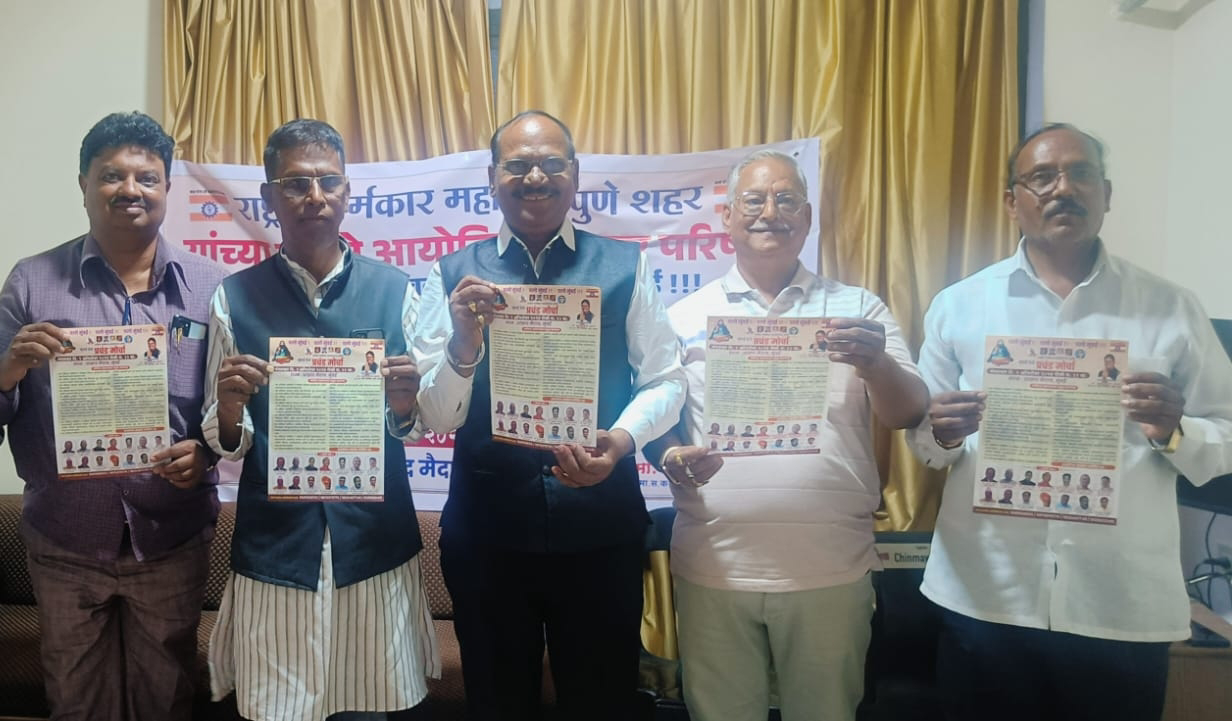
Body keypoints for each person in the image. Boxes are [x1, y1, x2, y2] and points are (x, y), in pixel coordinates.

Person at [907, 124, 1232, 721]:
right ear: (1013, 202)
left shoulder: (1170, 307)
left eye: (1081, 174)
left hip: (1118, 605)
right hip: (986, 597)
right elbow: (926, 443)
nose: (1063, 188)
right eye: (1042, 177)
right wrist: (944, 431)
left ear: (1106, 194)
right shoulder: (960, 305)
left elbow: (1226, 433)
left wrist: (1174, 429)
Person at [412, 110, 684, 721]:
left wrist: (621, 441)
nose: (535, 177)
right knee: (497, 702)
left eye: (551, 164)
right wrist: (463, 345)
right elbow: (437, 416)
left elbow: (666, 379)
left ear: (575, 175)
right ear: (492, 177)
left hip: (601, 532)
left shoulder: (624, 264)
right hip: (487, 538)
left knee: (601, 702)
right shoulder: (452, 273)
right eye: (517, 165)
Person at [646, 150, 928, 721]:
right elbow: (659, 419)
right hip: (715, 566)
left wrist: (877, 364)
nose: (770, 212)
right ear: (727, 216)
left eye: (787, 200)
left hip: (831, 568)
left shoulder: (857, 308)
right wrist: (671, 455)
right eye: (754, 199)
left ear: (807, 217)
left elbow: (909, 412)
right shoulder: (684, 315)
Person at [0, 112, 221, 721]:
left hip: (171, 537)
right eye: (111, 175)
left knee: (167, 701)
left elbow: (229, 412)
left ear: (167, 188)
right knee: (76, 703)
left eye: (146, 178)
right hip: (66, 540)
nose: (130, 189)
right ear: (83, 184)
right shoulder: (33, 281)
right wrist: (9, 367)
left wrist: (207, 452)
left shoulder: (212, 286)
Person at [203, 119, 438, 721]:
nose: (315, 196)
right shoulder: (234, 297)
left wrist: (404, 405)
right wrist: (228, 409)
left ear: (347, 191)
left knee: (372, 706)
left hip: (374, 543)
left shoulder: (395, 291)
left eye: (328, 181)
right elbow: (227, 442)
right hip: (278, 545)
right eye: (296, 183)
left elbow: (417, 424)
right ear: (269, 196)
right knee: (276, 709)